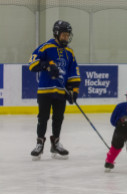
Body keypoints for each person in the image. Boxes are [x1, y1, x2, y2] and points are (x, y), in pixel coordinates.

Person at [28, 20, 81, 160]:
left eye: (67, 35)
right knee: (43, 118)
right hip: (45, 90)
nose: (66, 38)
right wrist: (46, 66)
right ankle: (39, 143)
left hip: (61, 92)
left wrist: (73, 90)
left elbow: (73, 72)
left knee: (58, 118)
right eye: (63, 35)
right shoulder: (45, 48)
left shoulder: (70, 52)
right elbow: (32, 63)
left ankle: (56, 143)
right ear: (56, 34)